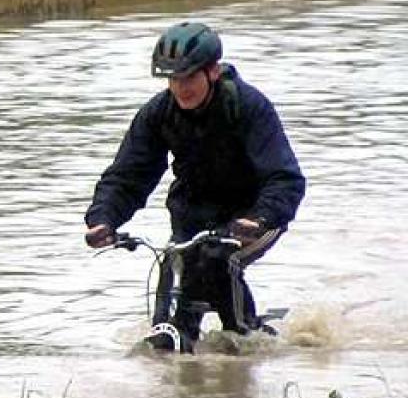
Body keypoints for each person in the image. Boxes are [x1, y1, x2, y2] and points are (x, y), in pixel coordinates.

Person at [84, 21, 306, 352]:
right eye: (173, 79)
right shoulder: (158, 114)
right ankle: (175, 359)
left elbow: (285, 179)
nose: (181, 87)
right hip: (192, 222)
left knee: (219, 261)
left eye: (188, 77)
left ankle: (248, 340)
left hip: (255, 219)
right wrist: (104, 218)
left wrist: (259, 218)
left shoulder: (247, 106)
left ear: (212, 72)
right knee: (174, 274)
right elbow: (129, 175)